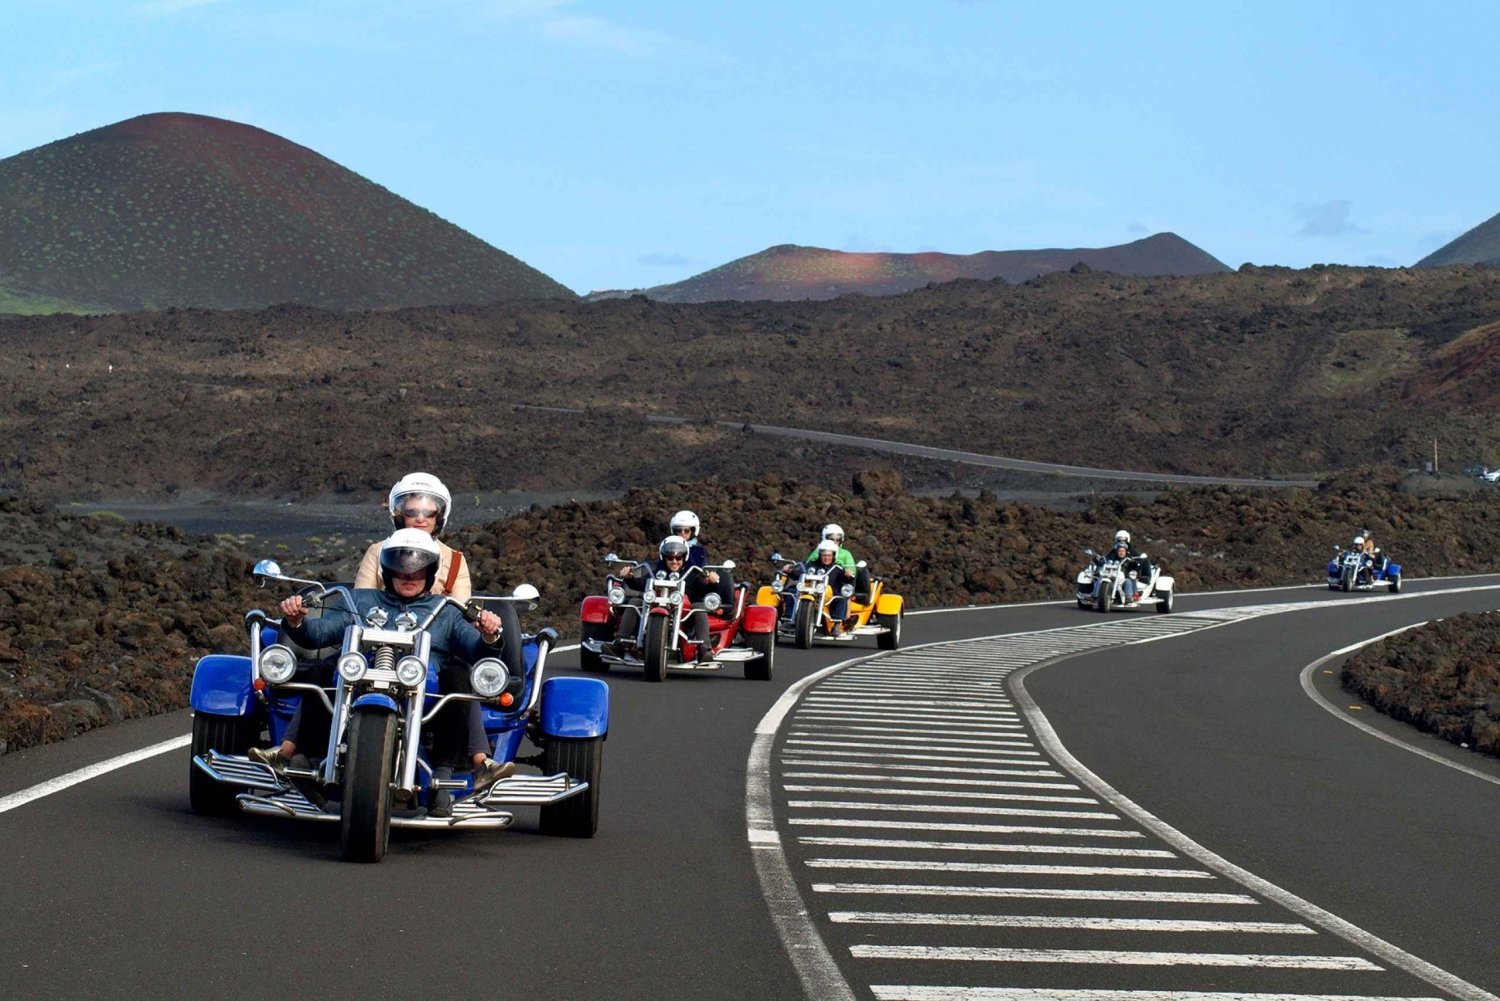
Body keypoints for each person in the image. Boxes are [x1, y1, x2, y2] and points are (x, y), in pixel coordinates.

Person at [250, 530, 513, 813]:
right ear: (387, 571)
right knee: (322, 671)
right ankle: (301, 759)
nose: (409, 576)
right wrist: (296, 620)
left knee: (459, 677)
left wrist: (489, 634)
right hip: (358, 679)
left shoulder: (446, 609)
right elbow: (319, 634)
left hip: (426, 689)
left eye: (418, 570)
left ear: (430, 572)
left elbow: (477, 651)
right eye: (400, 569)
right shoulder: (359, 600)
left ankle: (445, 776)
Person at [354, 472, 469, 599]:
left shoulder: (455, 560)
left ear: (439, 516)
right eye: (411, 512)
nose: (420, 519)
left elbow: (461, 612)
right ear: (400, 516)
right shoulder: (376, 552)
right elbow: (361, 602)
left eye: (429, 513)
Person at [613, 535, 719, 663]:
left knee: (699, 607)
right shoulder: (657, 572)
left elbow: (703, 588)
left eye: (678, 557)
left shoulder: (692, 573)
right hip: (655, 608)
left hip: (684, 614)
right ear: (664, 558)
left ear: (684, 557)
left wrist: (712, 581)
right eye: (670, 557)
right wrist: (629, 577)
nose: (674, 561)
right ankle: (619, 644)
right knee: (635, 602)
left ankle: (705, 649)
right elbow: (639, 583)